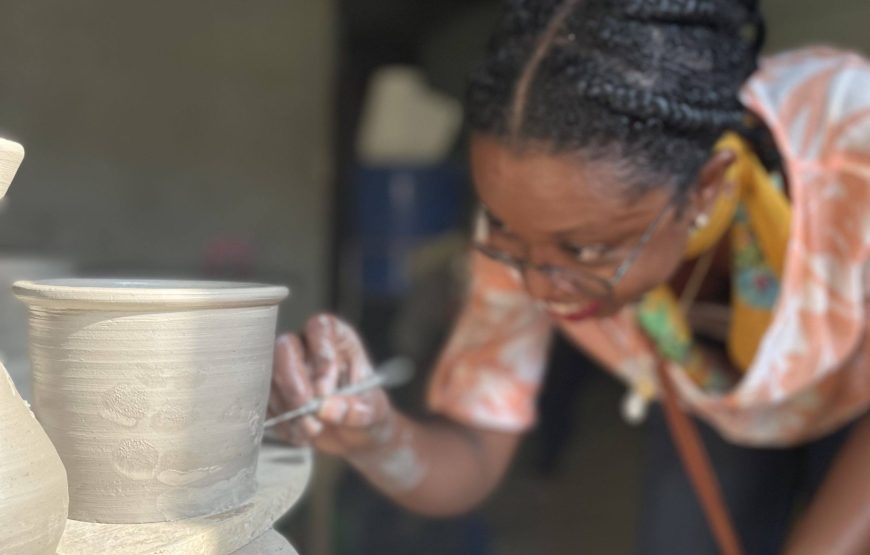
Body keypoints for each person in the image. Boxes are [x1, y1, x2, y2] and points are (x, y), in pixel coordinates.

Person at [268, 1, 870, 552]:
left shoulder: (848, 141)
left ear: (706, 189)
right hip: (717, 409)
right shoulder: (528, 239)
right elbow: (472, 459)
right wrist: (377, 436)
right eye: (503, 227)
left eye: (585, 250)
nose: (539, 288)